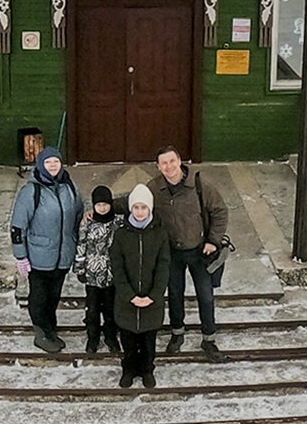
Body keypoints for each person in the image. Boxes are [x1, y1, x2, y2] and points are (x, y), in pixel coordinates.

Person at [144, 145, 228, 360]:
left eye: (172, 161)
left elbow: (220, 211)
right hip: (172, 253)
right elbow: (134, 203)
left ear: (179, 161)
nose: (169, 166)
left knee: (206, 296)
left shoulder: (200, 185)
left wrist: (213, 241)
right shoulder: (154, 188)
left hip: (200, 252)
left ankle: (209, 339)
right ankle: (177, 333)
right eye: (164, 163)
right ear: (158, 167)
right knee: (174, 294)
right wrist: (103, 205)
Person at [9, 147, 81, 353]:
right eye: (48, 162)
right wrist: (20, 255)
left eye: (56, 162)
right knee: (39, 297)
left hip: (62, 256)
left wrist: (75, 239)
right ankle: (41, 333)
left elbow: (78, 212)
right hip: (38, 257)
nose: (52, 166)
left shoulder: (69, 187)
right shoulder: (32, 191)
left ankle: (51, 330)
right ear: (41, 165)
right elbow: (17, 227)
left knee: (54, 296)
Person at [110, 183, 171, 389]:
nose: (139, 211)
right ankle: (128, 369)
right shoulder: (120, 235)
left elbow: (163, 266)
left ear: (150, 208)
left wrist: (154, 294)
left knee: (148, 342)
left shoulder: (160, 234)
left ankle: (146, 369)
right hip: (127, 301)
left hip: (151, 301)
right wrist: (129, 295)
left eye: (143, 207)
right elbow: (117, 268)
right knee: (127, 341)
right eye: (136, 207)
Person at [75, 184, 123, 357]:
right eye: (98, 205)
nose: (102, 208)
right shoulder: (87, 223)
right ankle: (92, 337)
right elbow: (81, 245)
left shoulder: (118, 222)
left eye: (105, 204)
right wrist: (80, 268)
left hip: (111, 275)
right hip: (92, 275)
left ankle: (111, 337)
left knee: (111, 309)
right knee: (93, 309)